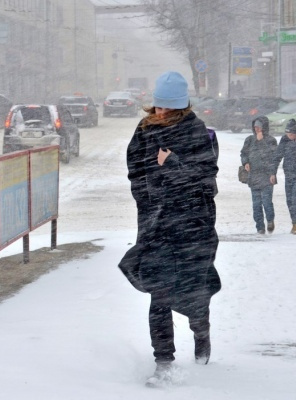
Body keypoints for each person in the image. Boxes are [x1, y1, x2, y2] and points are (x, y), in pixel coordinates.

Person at [120, 71, 221, 387]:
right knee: (159, 294)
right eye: (158, 106)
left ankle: (201, 333)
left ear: (181, 106)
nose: (160, 112)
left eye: (167, 108)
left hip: (192, 227)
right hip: (157, 228)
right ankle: (163, 361)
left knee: (194, 292)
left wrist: (174, 165)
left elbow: (207, 182)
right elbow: (135, 171)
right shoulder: (145, 130)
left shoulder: (196, 132)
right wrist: (147, 198)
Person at [271, 119, 296, 234]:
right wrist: (272, 172)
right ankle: (294, 224)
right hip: (289, 174)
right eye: (287, 134)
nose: (288, 136)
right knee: (289, 200)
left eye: (290, 135)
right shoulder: (285, 140)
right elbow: (277, 156)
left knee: (295, 198)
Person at [240, 116, 277, 234]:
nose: (257, 129)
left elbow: (272, 156)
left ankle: (270, 220)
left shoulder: (271, 140)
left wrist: (261, 142)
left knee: (267, 202)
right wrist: (245, 162)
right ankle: (260, 227)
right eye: (255, 127)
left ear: (264, 127)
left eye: (259, 127)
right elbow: (243, 153)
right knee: (256, 205)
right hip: (253, 176)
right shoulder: (249, 140)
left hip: (267, 176)